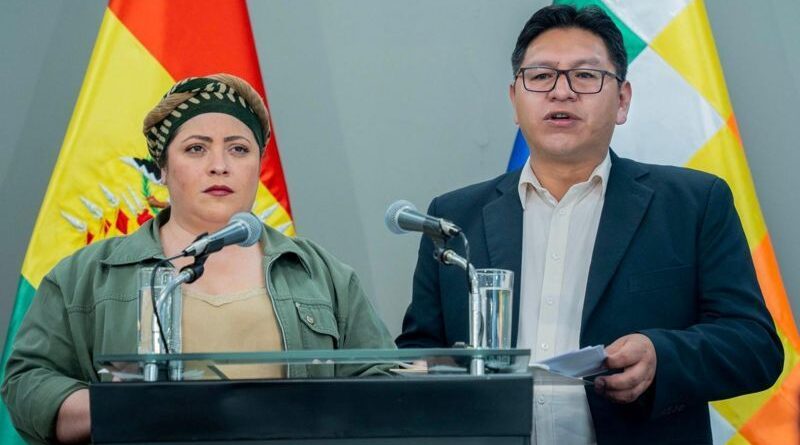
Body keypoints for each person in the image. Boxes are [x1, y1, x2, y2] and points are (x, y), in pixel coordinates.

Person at [396, 5, 782, 444]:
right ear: (514, 100)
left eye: (585, 76)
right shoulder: (454, 218)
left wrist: (661, 356)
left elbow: (755, 346)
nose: (561, 92)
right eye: (541, 76)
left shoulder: (691, 204)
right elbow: (418, 354)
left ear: (622, 101)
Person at [2, 74, 394, 444]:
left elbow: (384, 380)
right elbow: (27, 382)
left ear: (258, 166)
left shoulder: (321, 273)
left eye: (238, 149)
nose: (219, 165)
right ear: (163, 168)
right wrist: (113, 407)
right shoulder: (88, 274)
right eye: (196, 148)